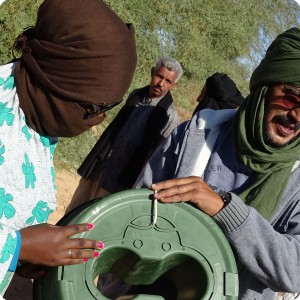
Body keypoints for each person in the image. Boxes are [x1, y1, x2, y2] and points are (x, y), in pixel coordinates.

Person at [135, 27, 300, 299]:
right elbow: (138, 209)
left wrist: (226, 210)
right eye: (290, 97)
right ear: (265, 88)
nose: (295, 116)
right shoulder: (195, 136)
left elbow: (294, 271)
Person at [0, 0, 136, 297]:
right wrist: (17, 246)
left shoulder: (32, 117)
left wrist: (21, 258)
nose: (98, 120)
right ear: (57, 83)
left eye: (109, 108)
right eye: (95, 107)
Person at [66, 56, 183, 213]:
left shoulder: (168, 115)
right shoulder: (136, 95)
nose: (160, 84)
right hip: (100, 165)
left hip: (121, 179)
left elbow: (157, 158)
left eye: (168, 81)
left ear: (173, 85)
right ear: (152, 72)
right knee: (74, 210)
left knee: (97, 219)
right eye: (159, 76)